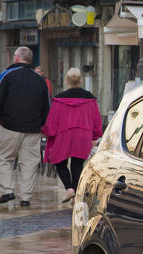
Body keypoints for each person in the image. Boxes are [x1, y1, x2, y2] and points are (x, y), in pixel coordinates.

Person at [0, 46, 51, 207]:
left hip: (9, 125)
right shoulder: (40, 80)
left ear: (16, 58)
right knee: (30, 162)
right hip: (32, 128)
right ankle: (25, 197)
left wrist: (0, 118)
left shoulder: (7, 75)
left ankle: (7, 190)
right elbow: (47, 105)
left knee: (4, 158)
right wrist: (40, 123)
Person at [43, 68, 103, 202]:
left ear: (67, 81)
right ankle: (76, 193)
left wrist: (46, 131)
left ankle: (69, 188)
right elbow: (97, 122)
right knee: (77, 164)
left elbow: (51, 124)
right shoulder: (90, 100)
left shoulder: (58, 100)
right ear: (80, 80)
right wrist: (95, 136)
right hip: (83, 135)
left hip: (63, 136)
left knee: (59, 162)